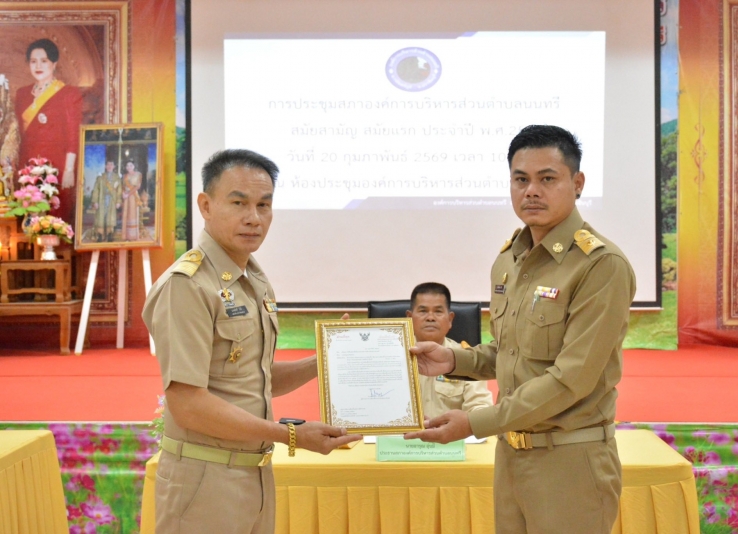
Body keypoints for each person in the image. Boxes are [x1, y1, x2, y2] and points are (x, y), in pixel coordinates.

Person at [406, 125, 636, 534]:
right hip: (511, 455)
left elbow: (570, 379)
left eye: (547, 179)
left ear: (577, 183)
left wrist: (475, 423)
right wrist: (453, 360)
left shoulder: (601, 265)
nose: (531, 191)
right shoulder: (510, 260)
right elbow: (510, 352)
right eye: (521, 179)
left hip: (569, 463)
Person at [142, 149, 360, 534]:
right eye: (239, 203)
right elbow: (188, 404)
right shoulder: (187, 285)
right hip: (204, 479)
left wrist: (324, 361)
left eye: (264, 205)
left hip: (253, 474)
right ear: (205, 205)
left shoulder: (254, 279)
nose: (253, 218)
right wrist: (291, 434)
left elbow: (254, 376)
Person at [15, 38, 82, 224]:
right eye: (33, 61)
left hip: (57, 166)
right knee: (29, 218)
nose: (38, 66)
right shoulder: (22, 94)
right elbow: (17, 133)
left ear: (54, 63)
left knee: (55, 218)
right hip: (27, 165)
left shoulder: (68, 94)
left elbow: (73, 135)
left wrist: (69, 169)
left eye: (44, 61)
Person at [406, 282, 493, 418]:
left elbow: (480, 405)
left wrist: (468, 422)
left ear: (450, 319)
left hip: (453, 432)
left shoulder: (466, 358)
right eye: (423, 311)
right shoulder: (392, 357)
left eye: (438, 311)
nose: (430, 318)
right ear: (409, 318)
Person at [90, 161, 121, 241]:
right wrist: (95, 201)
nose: (109, 166)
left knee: (110, 217)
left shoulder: (117, 178)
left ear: (114, 166)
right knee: (101, 217)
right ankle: (100, 235)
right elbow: (96, 190)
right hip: (101, 199)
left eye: (111, 164)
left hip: (112, 200)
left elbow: (119, 191)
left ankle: (109, 234)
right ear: (105, 166)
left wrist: (118, 201)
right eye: (108, 164)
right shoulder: (100, 177)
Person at [121, 160, 142, 240]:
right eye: (127, 166)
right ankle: (126, 236)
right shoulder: (124, 176)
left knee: (132, 214)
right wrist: (123, 193)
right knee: (126, 214)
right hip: (126, 197)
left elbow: (138, 186)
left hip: (133, 196)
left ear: (134, 166)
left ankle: (133, 236)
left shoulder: (138, 174)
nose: (129, 167)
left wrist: (128, 194)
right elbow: (123, 186)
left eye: (130, 165)